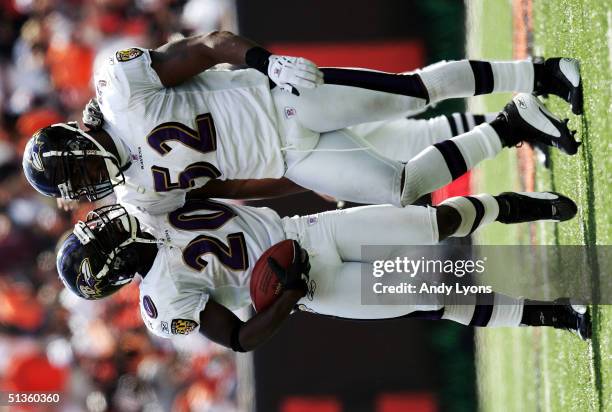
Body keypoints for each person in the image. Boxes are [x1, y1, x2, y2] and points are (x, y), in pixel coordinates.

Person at [23, 31, 582, 213]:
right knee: (400, 186)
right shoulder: (139, 196)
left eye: (78, 177)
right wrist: (293, 183)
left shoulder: (121, 92)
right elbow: (225, 189)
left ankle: (541, 72)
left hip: (283, 103)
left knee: (415, 91)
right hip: (292, 157)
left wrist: (268, 63)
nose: (89, 187)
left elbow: (208, 46)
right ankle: (514, 123)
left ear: (75, 145)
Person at [56, 190, 590, 353]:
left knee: (433, 222)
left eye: (96, 225)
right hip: (312, 286)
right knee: (433, 294)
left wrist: (311, 193)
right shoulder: (160, 302)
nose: (106, 224)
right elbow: (240, 337)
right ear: (115, 265)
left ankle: (527, 206)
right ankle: (558, 314)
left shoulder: (148, 203)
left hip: (310, 231)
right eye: (102, 238)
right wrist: (287, 296)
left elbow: (235, 188)